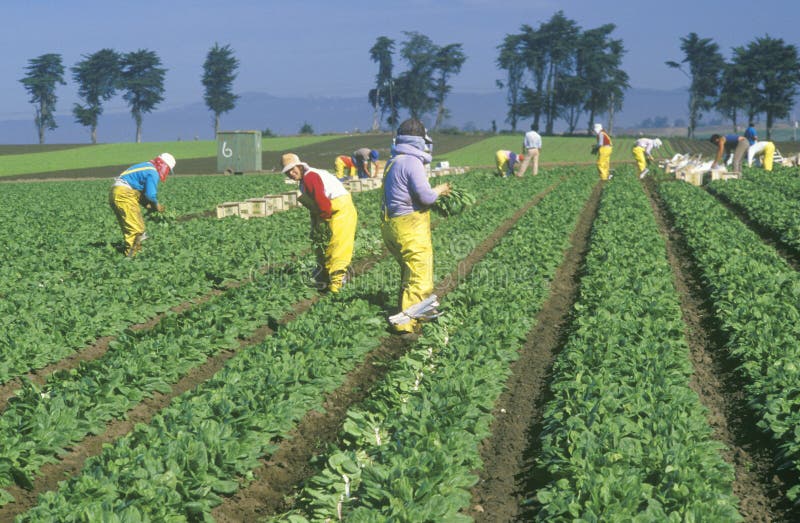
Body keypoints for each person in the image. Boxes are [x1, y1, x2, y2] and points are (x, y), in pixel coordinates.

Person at [381, 118, 451, 335]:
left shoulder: (394, 160)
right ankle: (406, 324)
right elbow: (426, 196)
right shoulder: (412, 161)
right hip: (409, 226)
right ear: (420, 141)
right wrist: (440, 190)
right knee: (419, 277)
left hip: (392, 226)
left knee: (408, 273)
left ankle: (410, 313)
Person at [282, 153, 357, 293]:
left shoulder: (310, 177)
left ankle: (337, 285)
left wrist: (324, 221)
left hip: (340, 209)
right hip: (331, 210)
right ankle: (325, 276)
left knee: (338, 247)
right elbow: (316, 206)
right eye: (287, 172)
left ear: (299, 166)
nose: (291, 174)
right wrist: (317, 225)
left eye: (293, 169)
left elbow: (322, 202)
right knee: (327, 246)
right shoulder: (305, 180)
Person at [109, 153, 175, 257]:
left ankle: (136, 253)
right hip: (124, 194)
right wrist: (156, 206)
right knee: (136, 230)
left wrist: (149, 206)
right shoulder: (152, 172)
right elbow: (150, 195)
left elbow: (138, 193)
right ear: (164, 166)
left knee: (133, 226)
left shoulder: (146, 166)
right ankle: (131, 258)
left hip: (117, 192)